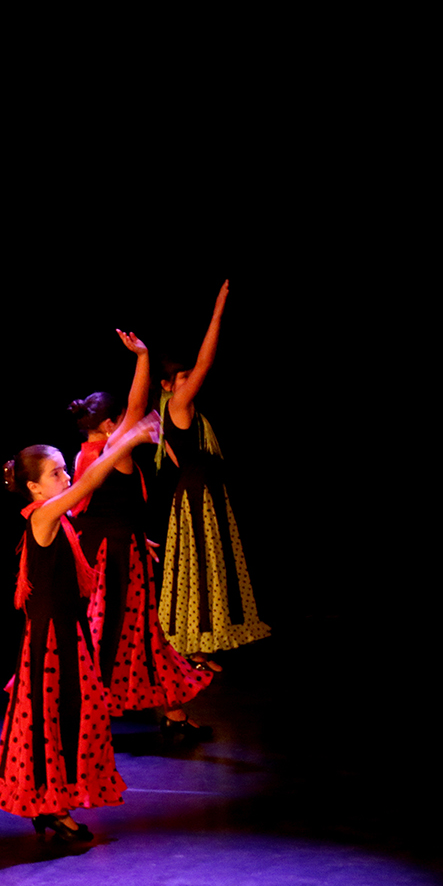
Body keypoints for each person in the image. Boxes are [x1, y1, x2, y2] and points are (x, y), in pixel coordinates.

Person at [0, 412, 160, 843]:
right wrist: (131, 437)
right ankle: (52, 806)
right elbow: (89, 484)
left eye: (65, 468)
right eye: (56, 472)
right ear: (34, 486)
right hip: (53, 642)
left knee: (70, 720)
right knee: (55, 722)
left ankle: (55, 803)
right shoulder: (42, 516)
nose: (66, 476)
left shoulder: (58, 518)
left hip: (69, 634)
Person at [69, 331, 215, 742]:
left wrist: (136, 537)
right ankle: (98, 709)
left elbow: (97, 511)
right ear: (111, 425)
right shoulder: (112, 449)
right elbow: (137, 405)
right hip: (117, 559)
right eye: (125, 421)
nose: (137, 422)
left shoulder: (85, 454)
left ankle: (166, 712)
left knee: (130, 635)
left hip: (109, 552)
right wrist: (142, 358)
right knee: (126, 635)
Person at [157, 281, 270, 663]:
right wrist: (219, 308)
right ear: (168, 385)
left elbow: (176, 457)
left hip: (199, 493)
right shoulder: (177, 405)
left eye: (189, 378)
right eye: (183, 378)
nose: (191, 383)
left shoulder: (178, 416)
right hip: (197, 497)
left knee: (204, 568)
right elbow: (206, 363)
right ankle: (194, 643)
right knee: (200, 567)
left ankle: (200, 638)